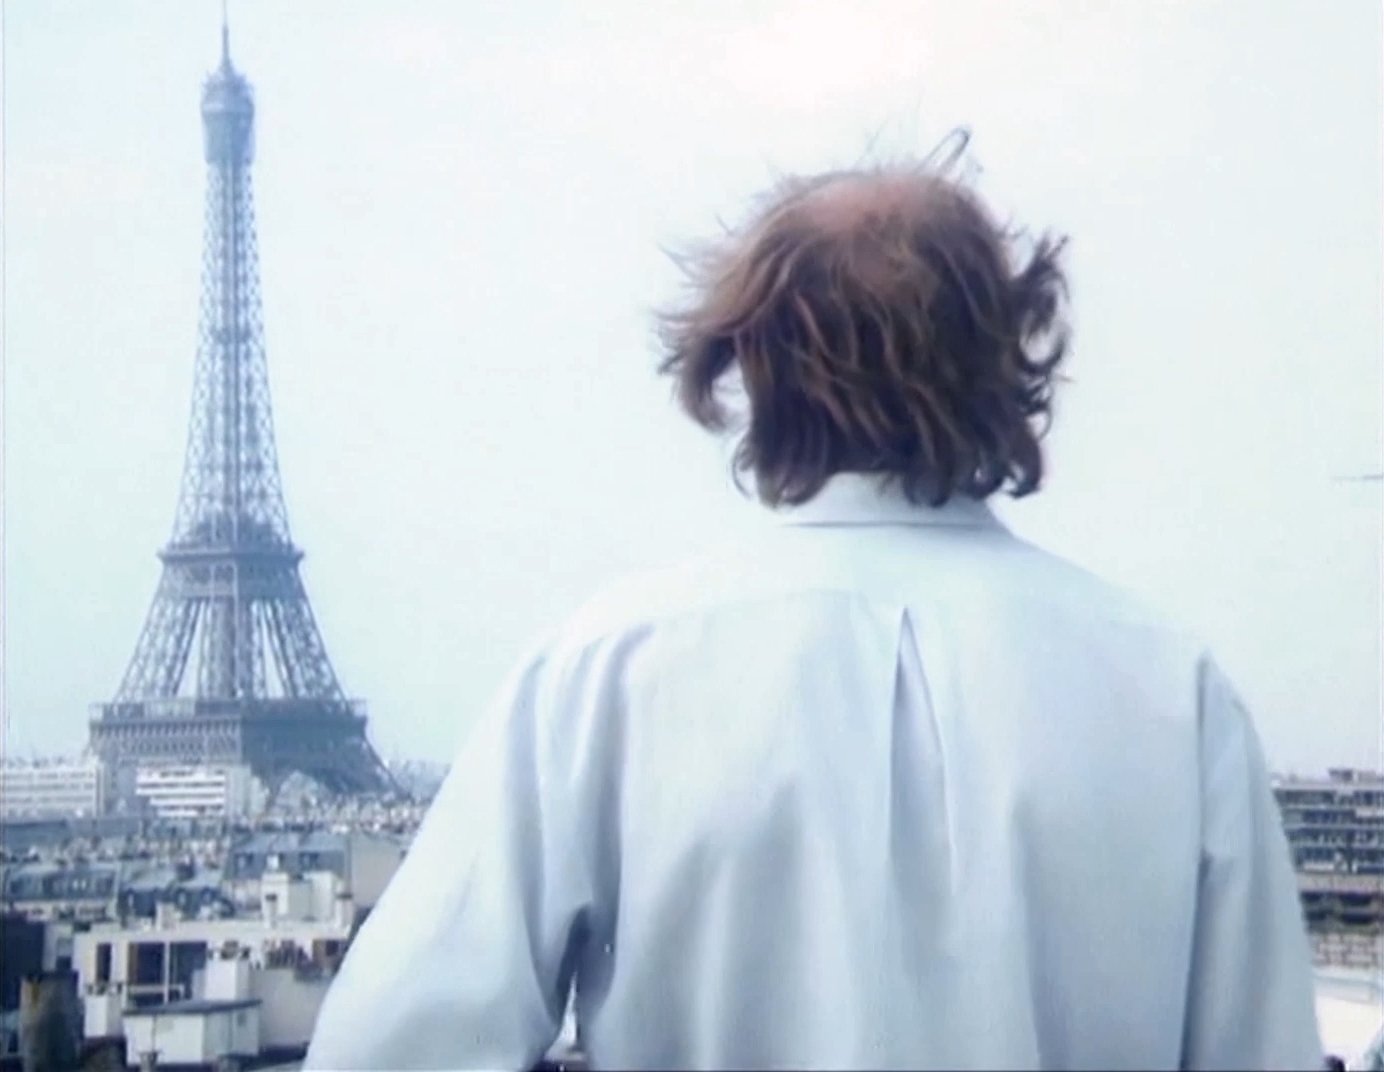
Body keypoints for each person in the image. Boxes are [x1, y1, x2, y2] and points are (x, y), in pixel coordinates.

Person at [305, 153, 1323, 1070]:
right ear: (1002, 355)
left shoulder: (605, 671)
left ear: (751, 365)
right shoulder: (1173, 692)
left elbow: (385, 1048)